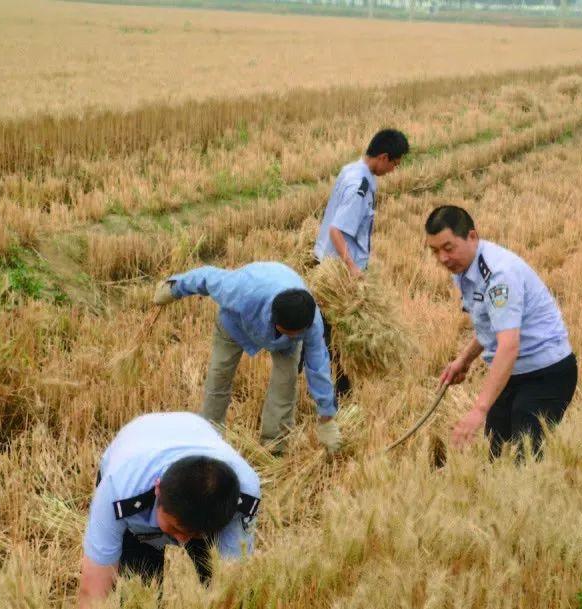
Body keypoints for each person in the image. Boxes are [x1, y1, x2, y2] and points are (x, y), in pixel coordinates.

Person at [424, 205, 578, 458]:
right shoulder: (463, 270)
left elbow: (508, 345)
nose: (442, 258)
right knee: (496, 456)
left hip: (545, 375)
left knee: (525, 463)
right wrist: (463, 360)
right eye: (435, 251)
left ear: (472, 237)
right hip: (513, 373)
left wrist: (479, 409)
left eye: (448, 248)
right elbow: (491, 326)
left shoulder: (499, 275)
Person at [153, 262, 342, 455]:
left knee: (286, 382)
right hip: (234, 326)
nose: (294, 336)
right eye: (290, 333)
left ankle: (276, 445)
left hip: (283, 339)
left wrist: (326, 417)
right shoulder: (242, 290)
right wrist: (174, 288)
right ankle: (209, 436)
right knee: (219, 375)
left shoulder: (310, 323)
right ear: (276, 322)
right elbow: (207, 277)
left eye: (298, 334)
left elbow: (318, 366)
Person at [77, 412, 260, 608]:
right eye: (176, 528)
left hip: (194, 435)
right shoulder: (118, 491)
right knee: (137, 596)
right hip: (137, 449)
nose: (182, 541)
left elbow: (232, 583)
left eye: (193, 533)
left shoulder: (242, 495)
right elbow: (93, 591)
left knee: (220, 587)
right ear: (158, 489)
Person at [313, 128, 410, 396]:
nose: (393, 170)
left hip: (331, 262)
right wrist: (353, 269)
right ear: (383, 157)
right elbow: (337, 230)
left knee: (333, 330)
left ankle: (339, 385)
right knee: (338, 333)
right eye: (394, 164)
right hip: (339, 270)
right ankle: (338, 389)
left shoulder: (352, 169)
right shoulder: (360, 186)